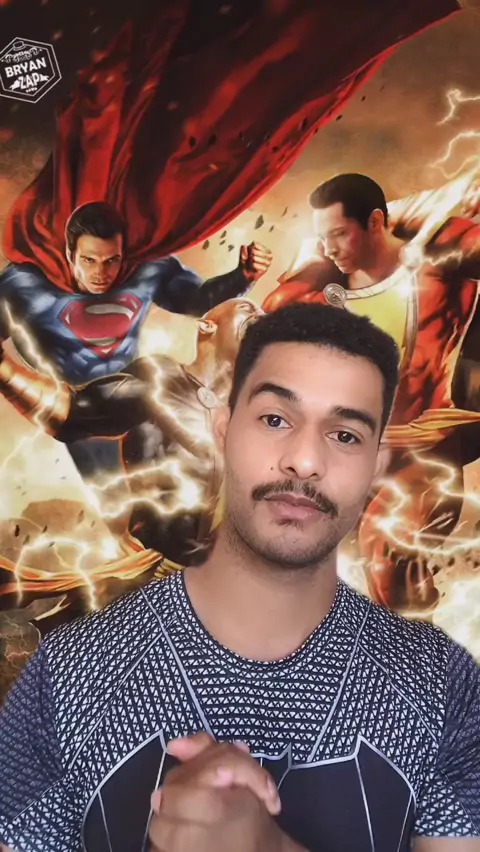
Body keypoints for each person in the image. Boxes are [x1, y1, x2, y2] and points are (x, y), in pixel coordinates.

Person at [0, 303, 479, 852]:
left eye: (345, 434)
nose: (305, 460)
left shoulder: (442, 686)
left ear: (376, 464)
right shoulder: (66, 675)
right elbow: (72, 410)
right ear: (223, 430)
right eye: (275, 419)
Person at [263, 173, 480, 613]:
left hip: (420, 460)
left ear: (376, 222)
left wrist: (428, 212)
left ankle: (412, 647)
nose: (330, 247)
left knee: (386, 552)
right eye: (323, 237)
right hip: (342, 460)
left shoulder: (438, 264)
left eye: (339, 234)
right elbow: (269, 318)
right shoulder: (319, 290)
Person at [0, 200, 272, 483]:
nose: (100, 273)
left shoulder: (146, 271)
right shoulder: (24, 286)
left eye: (112, 260)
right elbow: (71, 415)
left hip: (131, 399)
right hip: (80, 406)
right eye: (89, 260)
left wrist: (242, 276)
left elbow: (199, 302)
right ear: (70, 253)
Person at [0, 298, 260, 571]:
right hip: (150, 569)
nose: (259, 316)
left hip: (209, 578)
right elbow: (73, 413)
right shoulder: (161, 379)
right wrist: (5, 369)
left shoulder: (250, 420)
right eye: (247, 308)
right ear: (207, 326)